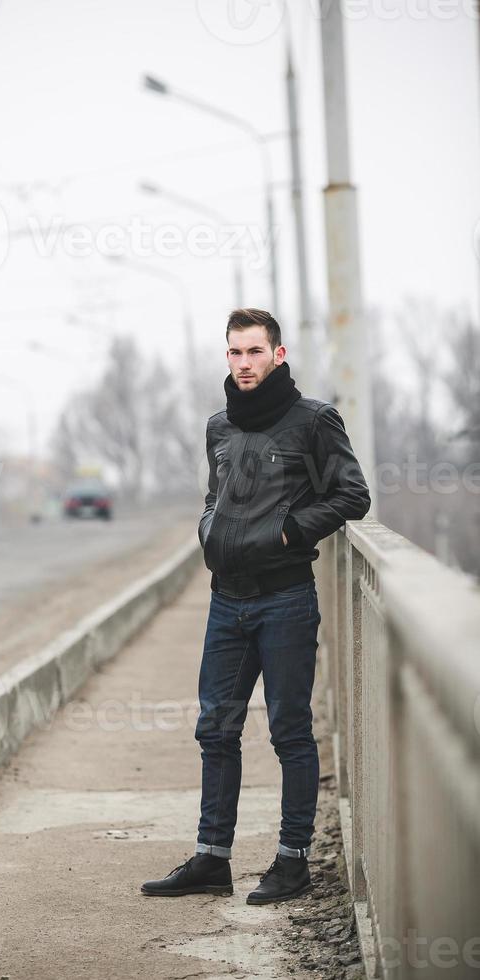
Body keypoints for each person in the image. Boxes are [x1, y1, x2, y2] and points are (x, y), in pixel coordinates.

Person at [141, 308, 371, 904]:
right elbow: (215, 496)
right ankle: (212, 858)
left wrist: (293, 532)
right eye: (234, 353)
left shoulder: (314, 421)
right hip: (227, 603)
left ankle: (292, 863)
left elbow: (353, 494)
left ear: (278, 354)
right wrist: (208, 527)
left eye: (254, 352)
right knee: (215, 729)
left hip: (286, 600)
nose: (244, 363)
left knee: (291, 733)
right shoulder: (219, 426)